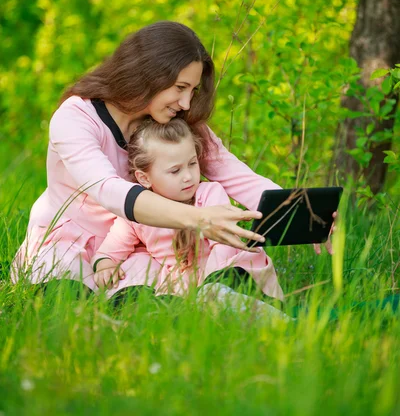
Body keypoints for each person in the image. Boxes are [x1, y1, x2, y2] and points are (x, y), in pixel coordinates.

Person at [11, 21, 336, 291]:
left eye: (192, 91)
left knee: (170, 299)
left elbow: (235, 175)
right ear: (148, 74)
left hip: (135, 251)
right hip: (71, 246)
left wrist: (303, 213)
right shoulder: (75, 118)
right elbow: (109, 191)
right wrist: (199, 219)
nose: (185, 102)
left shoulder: (171, 124)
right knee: (67, 299)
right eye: (179, 88)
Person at [92, 117, 284, 302]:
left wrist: (209, 284)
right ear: (144, 178)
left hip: (217, 270)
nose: (188, 177)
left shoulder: (208, 194)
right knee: (139, 264)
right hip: (176, 280)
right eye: (175, 171)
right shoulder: (139, 212)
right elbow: (109, 251)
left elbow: (223, 247)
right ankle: (131, 303)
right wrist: (105, 267)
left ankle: (226, 294)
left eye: (192, 164)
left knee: (232, 274)